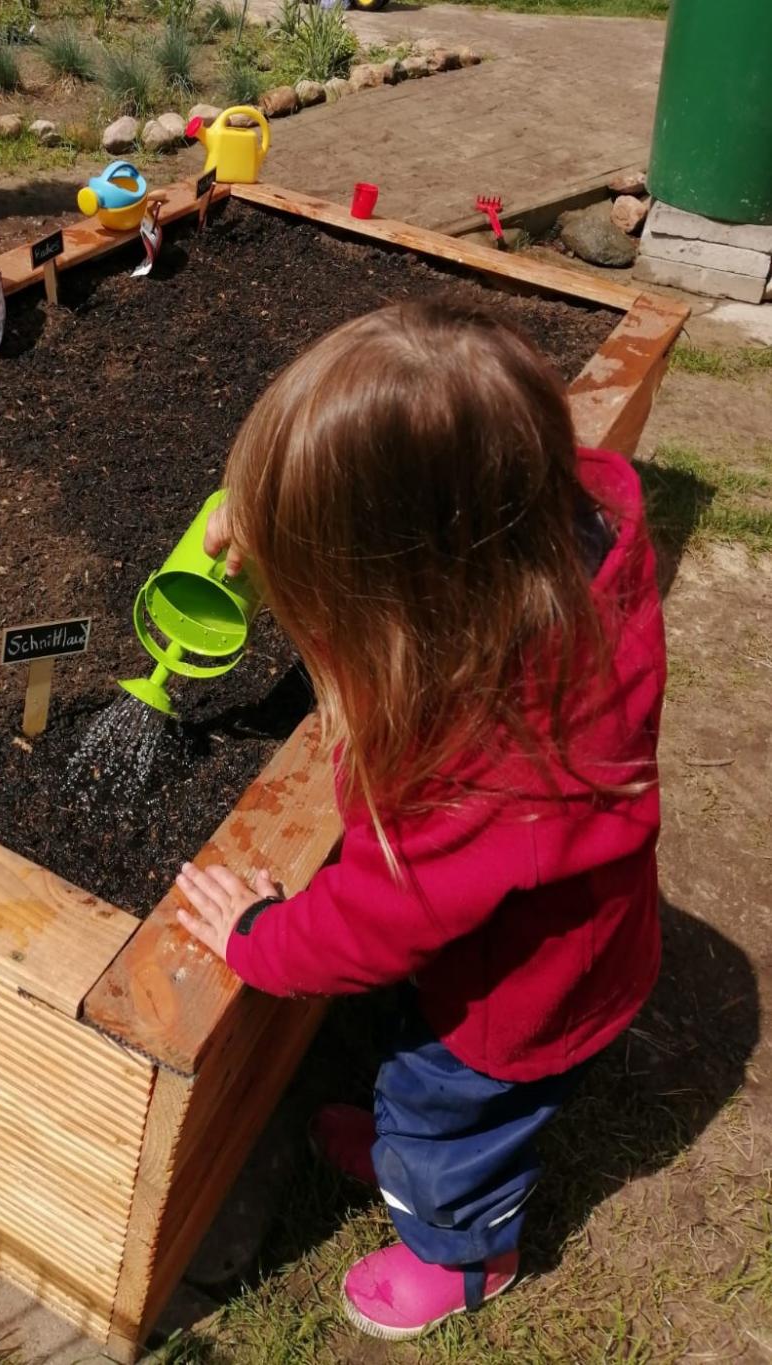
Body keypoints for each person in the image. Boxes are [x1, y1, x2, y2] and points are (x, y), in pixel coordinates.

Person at [175, 301, 666, 1340]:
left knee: (446, 1121)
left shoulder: (490, 776)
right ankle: (415, 1161)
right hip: (553, 933)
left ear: (403, 596)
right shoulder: (565, 548)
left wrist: (258, 939)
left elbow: (376, 920)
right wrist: (253, 517)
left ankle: (463, 1247)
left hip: (516, 1008)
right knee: (416, 1077)